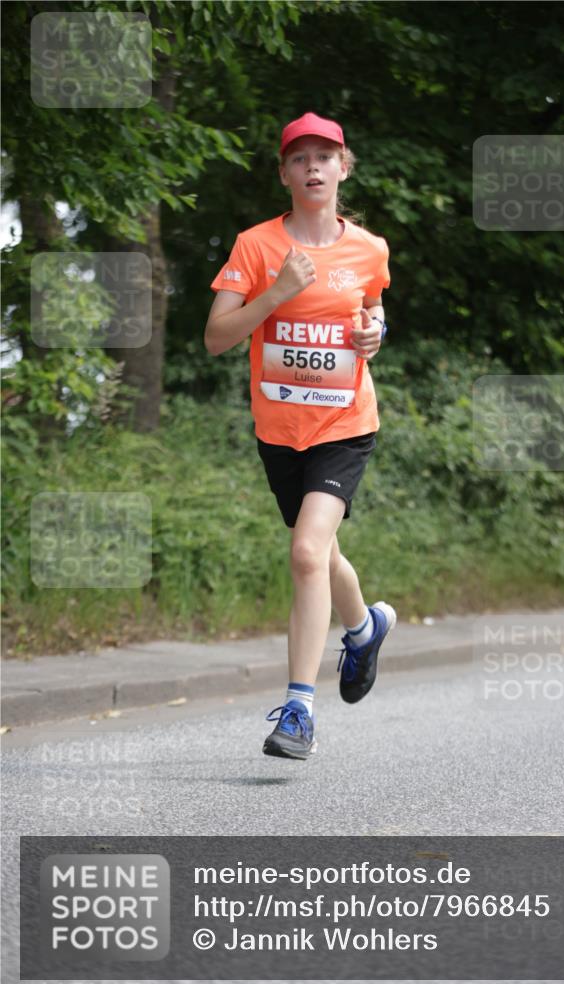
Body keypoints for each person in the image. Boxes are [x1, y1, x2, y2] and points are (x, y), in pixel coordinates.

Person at [204, 112, 396, 760]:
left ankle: (298, 711)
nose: (312, 167)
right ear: (284, 172)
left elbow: (371, 310)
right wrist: (276, 293)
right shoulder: (255, 247)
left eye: (325, 156)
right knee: (322, 552)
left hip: (345, 424)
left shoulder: (368, 249)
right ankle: (364, 629)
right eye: (299, 158)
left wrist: (376, 332)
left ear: (344, 167)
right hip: (279, 431)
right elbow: (216, 338)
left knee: (307, 553)